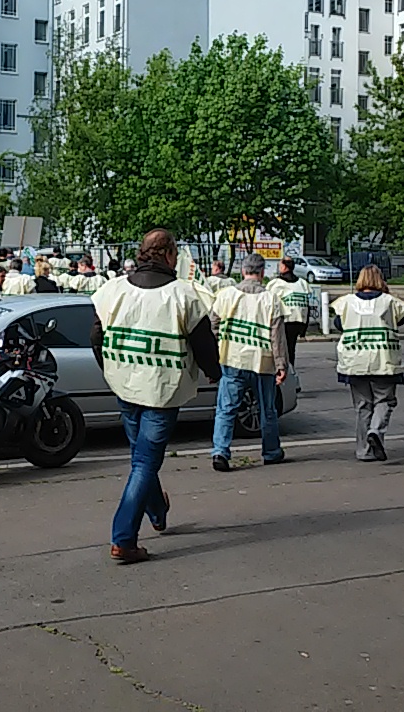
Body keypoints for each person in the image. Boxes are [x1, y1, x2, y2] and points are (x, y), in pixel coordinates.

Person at [92, 229, 221, 563]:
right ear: (167, 255)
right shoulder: (184, 295)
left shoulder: (113, 290)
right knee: (145, 462)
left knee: (140, 458)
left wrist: (109, 368)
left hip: (124, 384)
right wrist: (214, 371)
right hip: (162, 390)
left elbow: (96, 335)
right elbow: (204, 342)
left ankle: (158, 510)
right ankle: (123, 539)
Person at [210, 252, 290, 471]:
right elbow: (277, 336)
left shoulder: (225, 295)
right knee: (267, 409)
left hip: (232, 359)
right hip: (262, 363)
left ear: (243, 271)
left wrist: (213, 356)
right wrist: (281, 365)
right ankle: (271, 451)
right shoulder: (271, 299)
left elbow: (213, 327)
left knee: (226, 409)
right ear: (263, 273)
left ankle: (220, 451)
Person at [331, 265, 404, 462]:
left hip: (354, 361)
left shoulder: (346, 302)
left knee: (362, 405)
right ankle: (375, 430)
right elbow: (402, 319)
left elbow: (338, 324)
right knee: (385, 401)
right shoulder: (390, 302)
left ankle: (364, 451)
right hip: (384, 360)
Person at [266, 257, 313, 366]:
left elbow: (268, 303)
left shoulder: (276, 284)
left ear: (283, 267)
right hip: (299, 320)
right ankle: (290, 369)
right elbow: (307, 305)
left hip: (284, 320)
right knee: (291, 348)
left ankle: (281, 371)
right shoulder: (302, 283)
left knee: (279, 348)